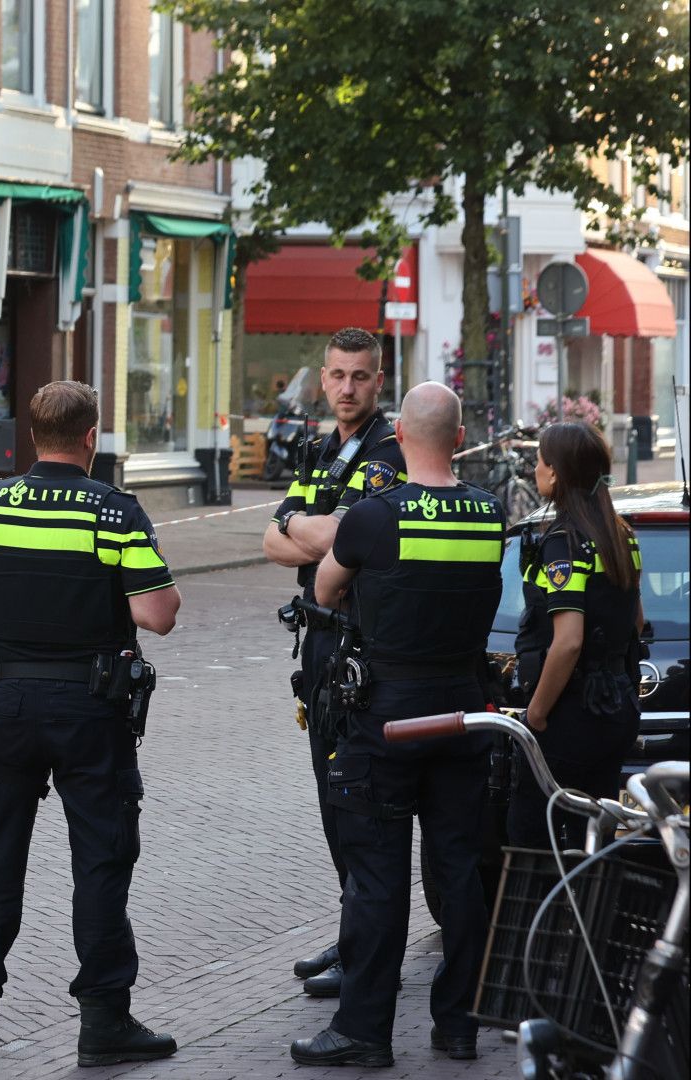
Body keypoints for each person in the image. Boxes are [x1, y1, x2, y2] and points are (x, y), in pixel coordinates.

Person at [0, 380, 183, 1065]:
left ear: (29, 438)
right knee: (100, 862)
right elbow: (158, 613)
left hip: (6, 707)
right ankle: (104, 1022)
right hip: (91, 710)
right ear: (91, 436)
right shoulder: (114, 511)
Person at [292, 382, 503, 1067]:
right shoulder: (488, 516)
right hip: (463, 714)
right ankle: (460, 1023)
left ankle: (363, 1032)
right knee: (460, 872)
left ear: (402, 438)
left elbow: (324, 590)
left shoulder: (375, 516)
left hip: (384, 718)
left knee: (377, 878)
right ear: (462, 438)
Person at [260, 327, 408, 998]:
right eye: (338, 375)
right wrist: (305, 529)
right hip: (318, 640)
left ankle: (368, 952)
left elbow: (341, 537)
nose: (348, 387)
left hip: (357, 641)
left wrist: (300, 527)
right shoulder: (321, 448)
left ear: (380, 382)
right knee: (329, 796)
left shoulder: (385, 452)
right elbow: (274, 538)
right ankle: (354, 933)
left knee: (355, 800)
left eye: (361, 377)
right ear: (323, 379)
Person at [507, 422, 646, 850]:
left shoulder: (564, 543)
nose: (535, 469)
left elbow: (567, 641)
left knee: (532, 837)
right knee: (594, 834)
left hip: (571, 717)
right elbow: (636, 622)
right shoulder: (621, 535)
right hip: (614, 710)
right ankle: (592, 913)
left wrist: (536, 715)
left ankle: (551, 916)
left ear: (557, 473)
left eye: (539, 461)